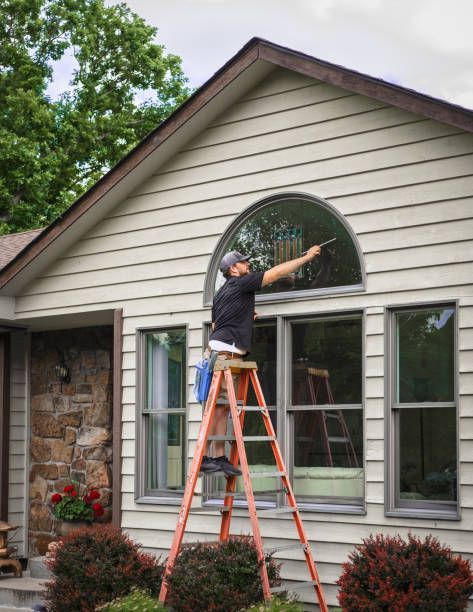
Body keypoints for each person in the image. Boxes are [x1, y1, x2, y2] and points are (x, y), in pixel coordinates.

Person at [200, 244, 321, 476]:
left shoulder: (223, 292)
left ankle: (217, 458)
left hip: (221, 353)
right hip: (225, 356)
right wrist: (306, 259)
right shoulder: (241, 283)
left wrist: (246, 317)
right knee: (218, 409)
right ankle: (207, 457)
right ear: (233, 269)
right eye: (244, 262)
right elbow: (275, 274)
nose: (248, 265)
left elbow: (217, 324)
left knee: (222, 409)